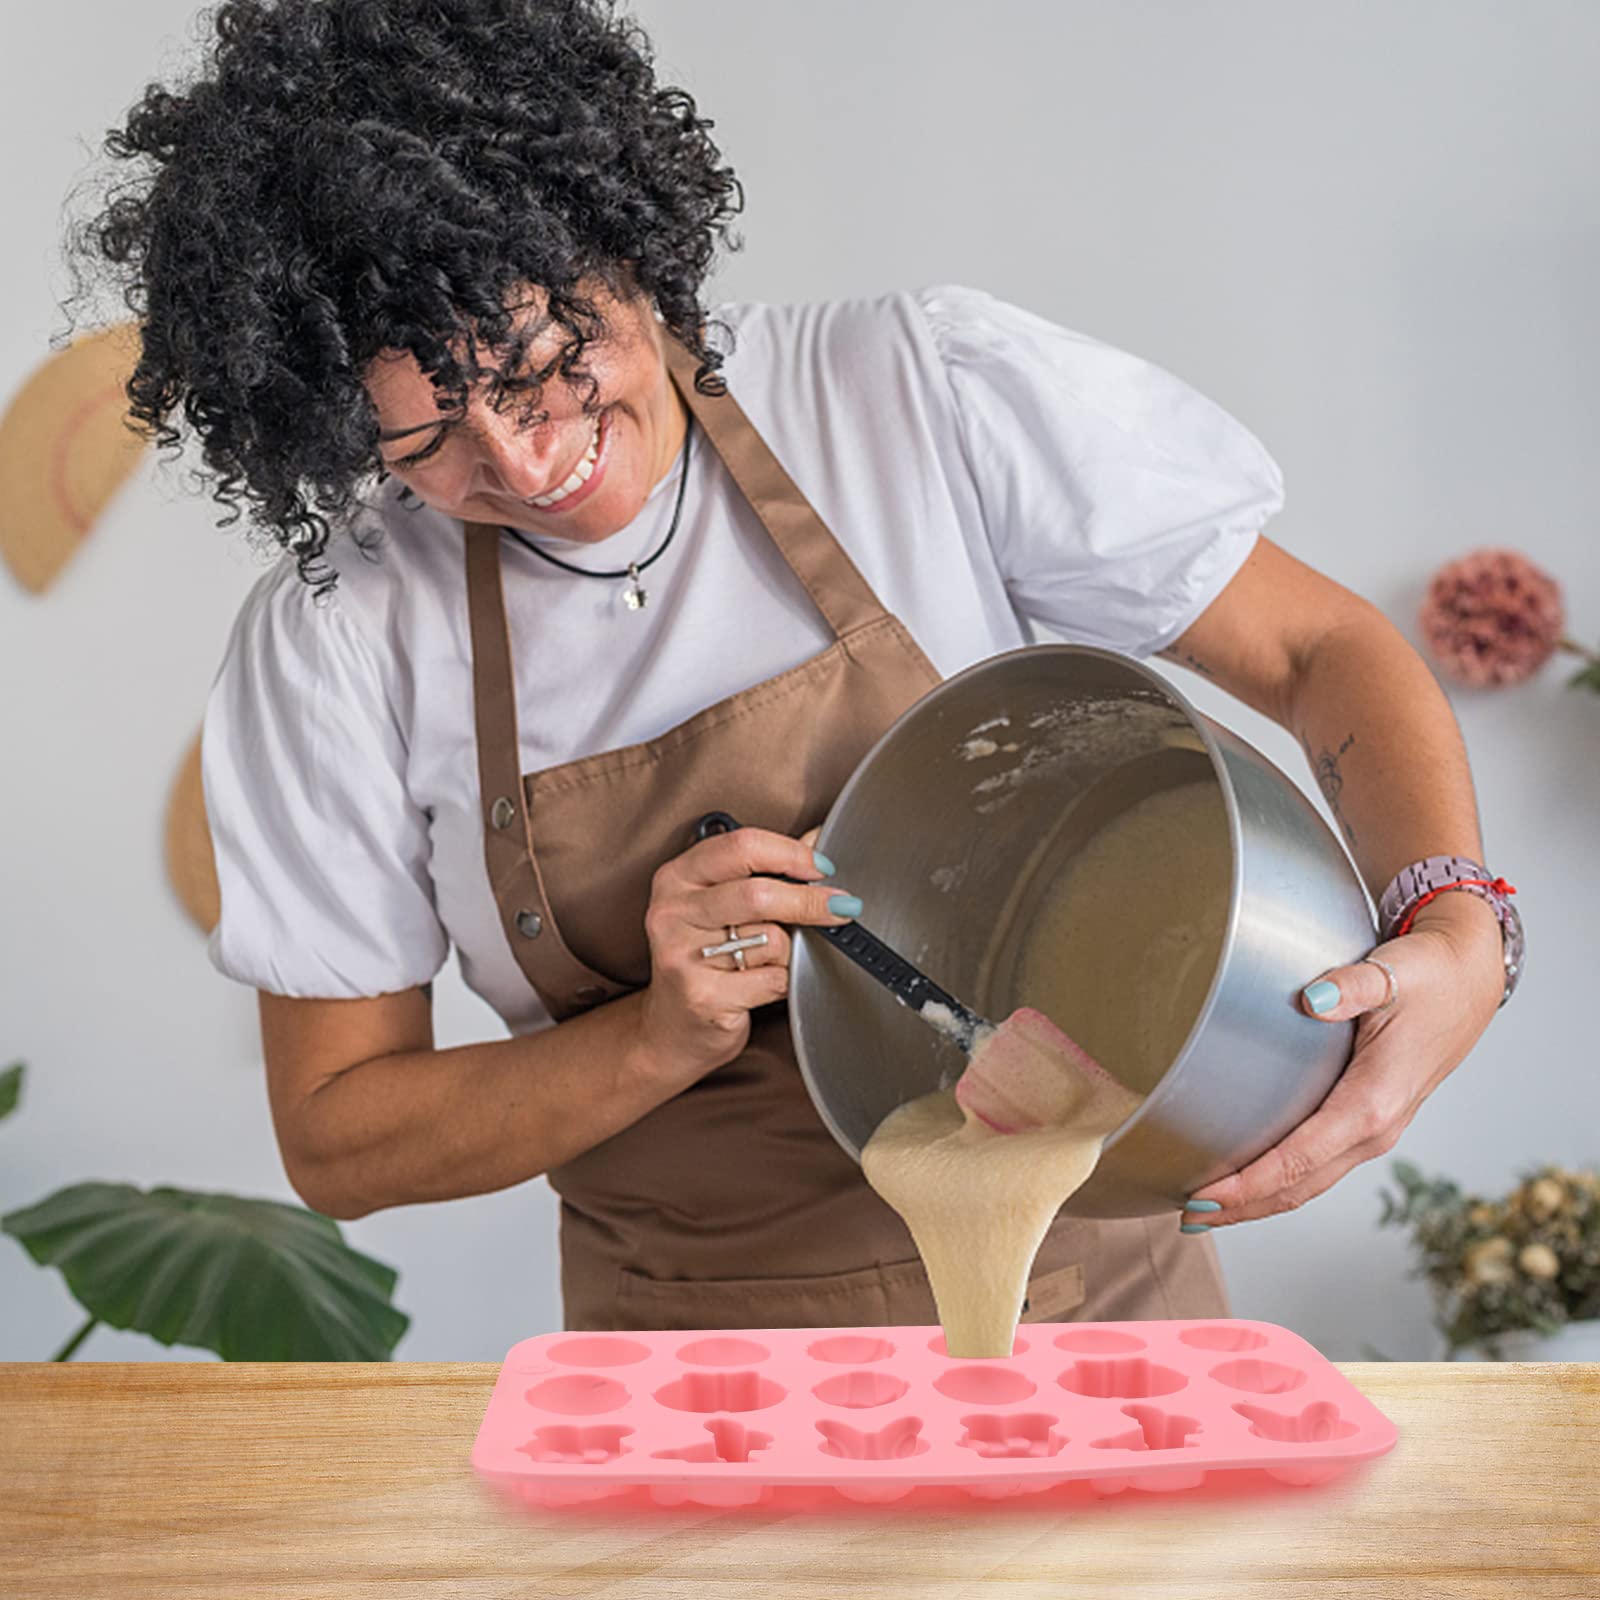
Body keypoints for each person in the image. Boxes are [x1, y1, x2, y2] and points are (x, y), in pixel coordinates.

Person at [67, 0, 1520, 1333]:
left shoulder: (907, 397)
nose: (522, 460)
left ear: (619, 237)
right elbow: (341, 1136)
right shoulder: (343, 635)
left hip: (1100, 1317)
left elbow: (1318, 649)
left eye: (543, 363)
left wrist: (1454, 920)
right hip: (689, 1377)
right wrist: (653, 1037)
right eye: (425, 440)